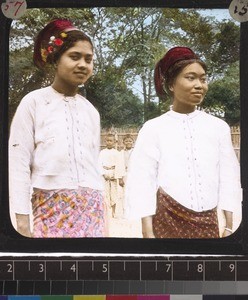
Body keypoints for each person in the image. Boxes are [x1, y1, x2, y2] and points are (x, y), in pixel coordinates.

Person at [125, 46, 242, 239]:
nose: (199, 85)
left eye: (203, 79)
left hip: (208, 221)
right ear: (171, 84)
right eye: (190, 78)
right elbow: (142, 181)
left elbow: (228, 176)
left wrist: (229, 227)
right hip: (168, 219)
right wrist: (147, 232)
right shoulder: (154, 128)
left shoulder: (218, 127)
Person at [9, 19, 107, 238]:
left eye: (88, 59)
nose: (83, 64)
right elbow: (17, 163)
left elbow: (93, 166)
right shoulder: (33, 102)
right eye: (74, 57)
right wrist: (22, 223)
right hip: (49, 207)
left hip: (92, 209)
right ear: (55, 59)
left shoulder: (91, 111)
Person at [99, 133, 125, 218]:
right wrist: (103, 174)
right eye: (107, 141)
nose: (109, 142)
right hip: (105, 173)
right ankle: (106, 212)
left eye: (111, 141)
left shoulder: (117, 153)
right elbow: (99, 164)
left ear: (114, 142)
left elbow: (119, 165)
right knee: (105, 193)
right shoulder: (102, 152)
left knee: (114, 193)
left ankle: (114, 212)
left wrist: (117, 176)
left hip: (113, 173)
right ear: (105, 141)